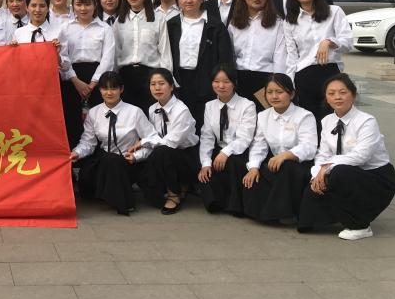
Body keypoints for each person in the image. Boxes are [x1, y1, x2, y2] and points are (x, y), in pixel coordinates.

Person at [297, 73, 395, 240]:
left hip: (375, 177)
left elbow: (361, 156)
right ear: (326, 98)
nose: (337, 97)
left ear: (354, 95)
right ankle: (342, 215)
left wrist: (327, 167)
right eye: (331, 93)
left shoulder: (367, 121)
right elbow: (323, 153)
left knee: (339, 173)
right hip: (344, 172)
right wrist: (317, 174)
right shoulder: (326, 121)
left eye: (343, 92)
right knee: (306, 219)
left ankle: (360, 225)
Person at [69, 72, 153, 216]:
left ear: (121, 89)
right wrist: (77, 153)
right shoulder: (94, 112)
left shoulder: (135, 112)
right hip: (103, 161)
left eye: (113, 88)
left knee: (113, 161)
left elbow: (151, 140)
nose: (109, 93)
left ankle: (123, 201)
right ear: (100, 90)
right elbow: (88, 142)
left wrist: (137, 156)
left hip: (128, 161)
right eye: (105, 88)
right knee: (94, 171)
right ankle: (111, 192)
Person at [242, 74, 317, 224]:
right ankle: (263, 212)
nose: (274, 96)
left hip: (300, 165)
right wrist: (254, 167)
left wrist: (286, 155)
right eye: (269, 92)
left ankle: (282, 213)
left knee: (288, 167)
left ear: (292, 94)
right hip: (277, 164)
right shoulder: (263, 116)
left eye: (279, 92)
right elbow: (259, 145)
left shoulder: (305, 116)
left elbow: (309, 146)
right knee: (256, 174)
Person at [165, 0, 234, 127]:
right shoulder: (171, 25)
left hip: (206, 80)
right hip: (179, 81)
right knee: (180, 123)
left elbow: (225, 57)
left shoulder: (215, 25)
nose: (188, 0)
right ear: (177, 0)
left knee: (205, 124)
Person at [284, 0, 353, 118]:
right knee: (308, 121)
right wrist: (290, 84)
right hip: (304, 76)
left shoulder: (334, 12)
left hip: (331, 74)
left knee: (333, 119)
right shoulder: (290, 20)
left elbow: (347, 42)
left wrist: (329, 42)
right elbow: (292, 56)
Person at [136, 68, 199, 214]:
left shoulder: (181, 110)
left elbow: (172, 142)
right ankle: (176, 187)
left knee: (163, 151)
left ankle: (174, 194)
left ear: (171, 86)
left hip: (186, 156)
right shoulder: (152, 109)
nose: (157, 88)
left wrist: (144, 141)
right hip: (164, 154)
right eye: (153, 84)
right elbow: (154, 136)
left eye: (161, 83)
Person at [197, 66, 256, 216]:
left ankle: (236, 206)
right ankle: (217, 202)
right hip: (220, 149)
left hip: (240, 150)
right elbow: (207, 136)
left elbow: (245, 138)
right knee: (204, 167)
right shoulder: (209, 106)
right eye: (216, 81)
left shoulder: (247, 105)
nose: (221, 86)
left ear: (234, 83)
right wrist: (205, 163)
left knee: (233, 162)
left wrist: (225, 153)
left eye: (226, 81)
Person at [58, 0, 115, 132]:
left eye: (87, 4)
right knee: (71, 117)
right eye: (79, 4)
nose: (83, 8)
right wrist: (74, 80)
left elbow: (108, 58)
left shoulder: (105, 28)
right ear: (73, 6)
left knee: (98, 118)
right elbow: (62, 55)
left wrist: (93, 83)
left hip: (97, 78)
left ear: (95, 6)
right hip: (71, 77)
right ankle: (74, 144)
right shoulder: (65, 28)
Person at [113, 0, 172, 110]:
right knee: (128, 116)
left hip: (150, 76)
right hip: (126, 76)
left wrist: (165, 79)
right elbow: (115, 52)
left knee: (150, 113)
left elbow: (164, 51)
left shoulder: (158, 18)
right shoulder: (120, 21)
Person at [228, 0, 285, 107]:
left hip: (266, 79)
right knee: (240, 115)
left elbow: (280, 55)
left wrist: (278, 83)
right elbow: (230, 54)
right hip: (239, 78)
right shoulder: (234, 22)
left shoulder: (277, 22)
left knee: (264, 115)